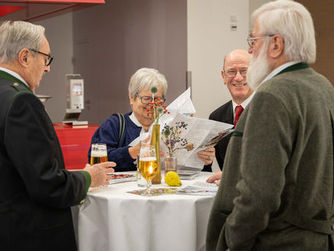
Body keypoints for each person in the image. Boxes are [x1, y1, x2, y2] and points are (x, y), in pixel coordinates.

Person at [206, 0, 334, 250]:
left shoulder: (272, 95)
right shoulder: (323, 87)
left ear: (276, 44)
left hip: (278, 241)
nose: (251, 50)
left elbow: (259, 195)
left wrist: (232, 239)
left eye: (253, 41)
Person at [0, 21, 115, 251]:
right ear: (24, 57)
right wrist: (88, 177)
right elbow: (46, 183)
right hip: (30, 234)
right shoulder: (22, 101)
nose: (48, 68)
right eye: (46, 59)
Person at [89, 67, 215, 171]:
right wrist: (132, 152)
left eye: (157, 99)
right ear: (132, 98)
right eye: (147, 98)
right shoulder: (115, 125)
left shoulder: (173, 127)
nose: (152, 104)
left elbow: (195, 171)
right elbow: (96, 162)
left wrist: (205, 161)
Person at [206, 49, 254, 180]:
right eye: (232, 71)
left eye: (244, 71)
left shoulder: (269, 111)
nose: (238, 77)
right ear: (223, 76)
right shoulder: (216, 117)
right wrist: (205, 160)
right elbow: (206, 169)